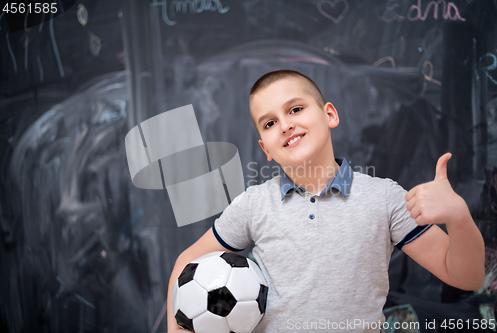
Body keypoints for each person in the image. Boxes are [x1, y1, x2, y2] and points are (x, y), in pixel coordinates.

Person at [166, 70, 485, 332]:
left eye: (295, 109)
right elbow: (185, 263)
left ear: (329, 114)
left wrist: (458, 217)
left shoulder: (384, 197)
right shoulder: (254, 205)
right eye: (270, 122)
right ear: (266, 148)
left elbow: (466, 277)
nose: (286, 124)